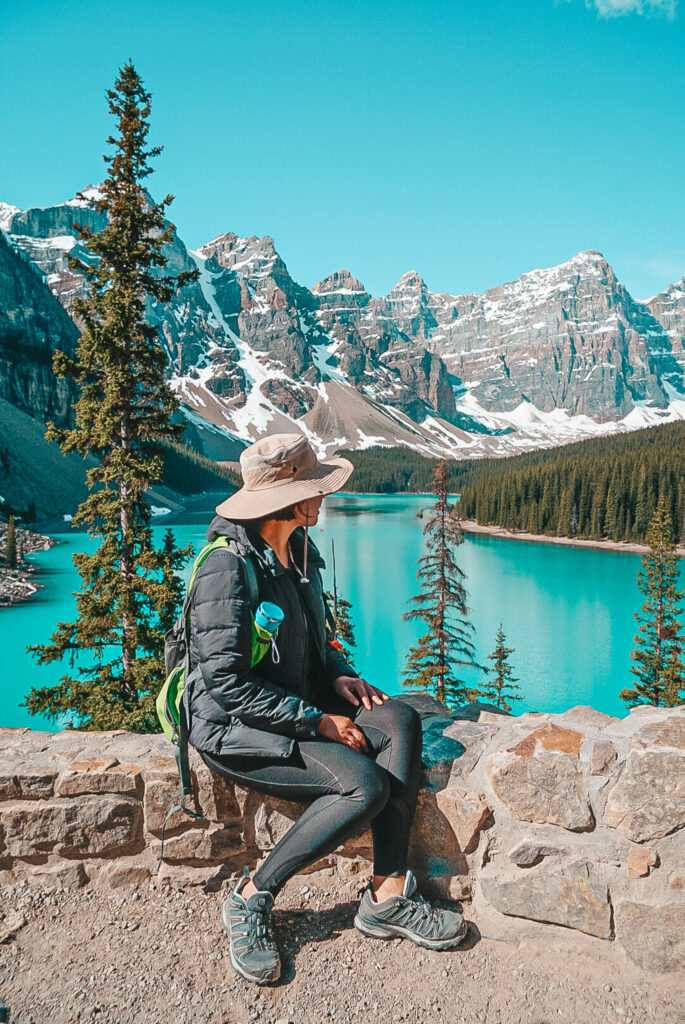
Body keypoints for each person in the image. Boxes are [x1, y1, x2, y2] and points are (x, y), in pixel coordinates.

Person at [186, 433, 467, 985]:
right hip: (234, 728)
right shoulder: (227, 568)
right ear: (286, 500)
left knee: (399, 718)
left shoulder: (299, 550)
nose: (324, 497)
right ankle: (251, 895)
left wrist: (339, 676)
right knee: (362, 784)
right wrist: (317, 721)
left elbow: (315, 643)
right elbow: (225, 684)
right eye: (315, 488)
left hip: (289, 702)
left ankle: (385, 894)